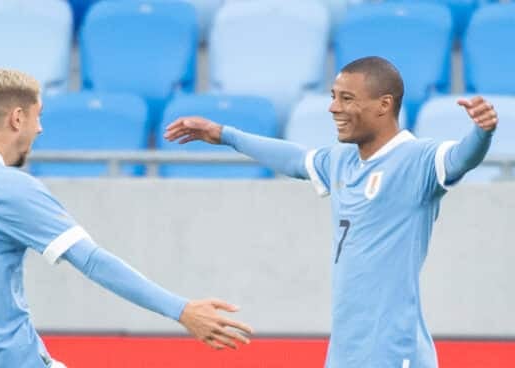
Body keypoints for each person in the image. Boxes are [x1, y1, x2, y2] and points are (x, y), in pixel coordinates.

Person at [0, 68, 253, 368]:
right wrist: (182, 309)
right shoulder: (9, 187)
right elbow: (92, 260)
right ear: (17, 117)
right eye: (38, 116)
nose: (40, 129)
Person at [164, 56, 498, 367]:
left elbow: (459, 159)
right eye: (334, 96)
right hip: (344, 352)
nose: (333, 108)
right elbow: (295, 159)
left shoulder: (417, 159)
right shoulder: (341, 160)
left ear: (384, 105)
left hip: (395, 352)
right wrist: (224, 135)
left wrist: (482, 133)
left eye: (347, 99)